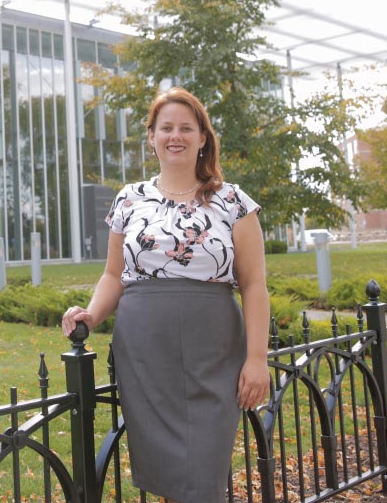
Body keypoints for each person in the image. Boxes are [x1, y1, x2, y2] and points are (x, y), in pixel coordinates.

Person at [61, 87, 270, 503]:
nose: (176, 136)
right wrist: (93, 314)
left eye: (186, 128)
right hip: (144, 349)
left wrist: (257, 359)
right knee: (168, 476)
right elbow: (113, 274)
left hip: (214, 349)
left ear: (202, 137)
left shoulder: (233, 201)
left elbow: (254, 285)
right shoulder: (129, 198)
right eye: (166, 127)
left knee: (203, 476)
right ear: (152, 136)